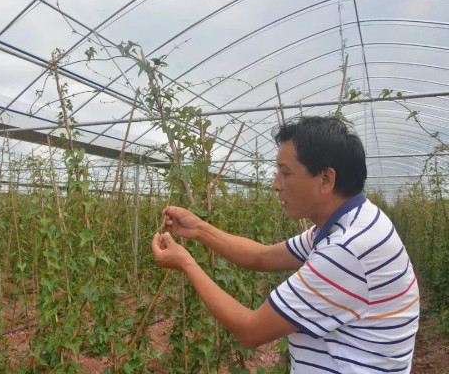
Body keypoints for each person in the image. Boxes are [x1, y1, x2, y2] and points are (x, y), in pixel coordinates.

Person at [152, 116, 419, 373]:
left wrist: (186, 263)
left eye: (285, 173)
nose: (276, 185)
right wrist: (199, 228)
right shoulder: (350, 222)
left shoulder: (346, 250)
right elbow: (264, 257)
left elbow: (250, 331)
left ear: (326, 179)